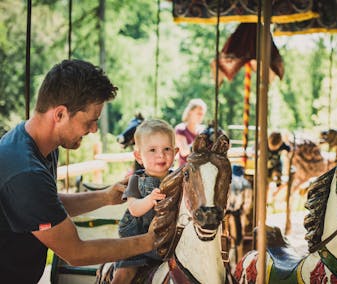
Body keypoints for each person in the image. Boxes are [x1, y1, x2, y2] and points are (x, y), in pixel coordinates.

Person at [0, 59, 155, 284]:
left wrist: (105, 197)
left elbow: (47, 206)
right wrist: (150, 242)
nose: (93, 129)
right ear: (60, 114)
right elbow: (76, 253)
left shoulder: (36, 143)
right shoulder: (26, 173)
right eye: (90, 121)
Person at [112, 119, 177, 284]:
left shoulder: (178, 180)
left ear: (175, 152)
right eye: (152, 150)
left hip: (169, 243)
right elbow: (134, 208)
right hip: (137, 242)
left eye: (167, 149)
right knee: (123, 275)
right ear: (139, 156)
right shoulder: (136, 180)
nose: (161, 155)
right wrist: (149, 199)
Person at [175, 98, 207, 167]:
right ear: (190, 112)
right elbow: (184, 151)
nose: (201, 116)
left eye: (202, 114)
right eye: (199, 113)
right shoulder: (180, 129)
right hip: (186, 170)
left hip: (201, 169)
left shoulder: (203, 130)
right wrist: (201, 144)